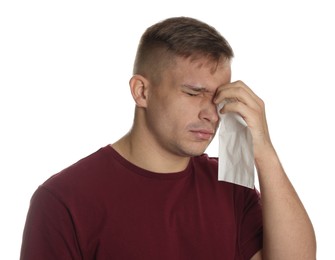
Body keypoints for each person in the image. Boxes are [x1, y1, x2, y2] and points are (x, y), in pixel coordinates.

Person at [20, 17, 316, 259]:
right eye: (192, 93)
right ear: (142, 92)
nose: (211, 114)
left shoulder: (230, 187)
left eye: (219, 98)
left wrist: (263, 151)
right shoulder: (63, 199)